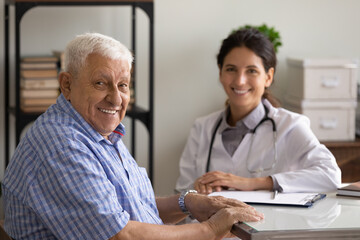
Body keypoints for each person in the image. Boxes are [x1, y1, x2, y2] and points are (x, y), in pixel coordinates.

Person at [2, 33, 263, 240]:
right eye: (100, 83)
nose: (116, 98)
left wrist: (187, 203)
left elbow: (130, 210)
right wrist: (210, 230)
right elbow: (119, 235)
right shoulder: (61, 144)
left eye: (123, 85)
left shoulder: (96, 131)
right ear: (67, 84)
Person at [176, 28, 342, 195]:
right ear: (220, 73)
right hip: (209, 221)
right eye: (231, 69)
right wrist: (195, 190)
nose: (240, 81)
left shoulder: (290, 126)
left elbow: (330, 175)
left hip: (270, 221)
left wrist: (253, 183)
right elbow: (180, 195)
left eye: (251, 71)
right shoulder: (202, 128)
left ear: (268, 77)